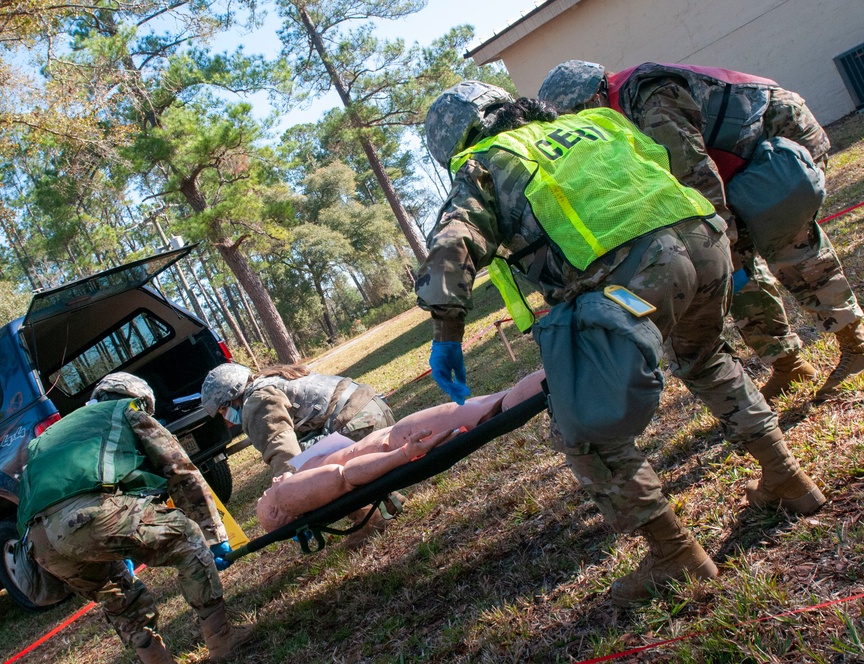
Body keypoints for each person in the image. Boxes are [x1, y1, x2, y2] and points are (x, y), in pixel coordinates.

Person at [416, 81, 826, 606]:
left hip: (634, 273)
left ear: (454, 141)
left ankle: (674, 554)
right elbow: (661, 167)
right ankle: (788, 480)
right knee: (706, 360)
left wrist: (447, 333)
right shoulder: (590, 122)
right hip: (704, 242)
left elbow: (453, 243)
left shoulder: (486, 162)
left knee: (582, 428)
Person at [537, 60, 864, 401]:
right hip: (735, 168)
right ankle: (788, 363)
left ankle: (856, 345)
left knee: (787, 243)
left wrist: (721, 238)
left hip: (777, 137)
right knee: (733, 270)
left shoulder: (648, 100)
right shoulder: (618, 116)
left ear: (593, 99)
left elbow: (695, 174)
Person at [16, 372, 253, 664]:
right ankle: (222, 639)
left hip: (39, 543)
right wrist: (212, 535)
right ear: (139, 399)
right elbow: (181, 474)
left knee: (116, 592)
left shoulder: (46, 437)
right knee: (188, 537)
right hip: (89, 516)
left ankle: (156, 660)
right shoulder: (127, 411)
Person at [256, 371, 546, 531]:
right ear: (275, 510)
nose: (271, 484)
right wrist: (404, 454)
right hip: (397, 442)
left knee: (492, 407)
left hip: (395, 440)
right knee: (497, 409)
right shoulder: (288, 496)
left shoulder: (291, 486)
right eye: (266, 495)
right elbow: (345, 476)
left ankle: (567, 369)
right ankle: (566, 369)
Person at [201, 362, 395, 477]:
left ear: (232, 397)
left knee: (307, 467)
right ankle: (388, 503)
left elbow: (284, 454)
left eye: (223, 410)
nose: (226, 418)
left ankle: (371, 517)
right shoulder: (270, 379)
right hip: (372, 410)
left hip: (360, 424)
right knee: (305, 447)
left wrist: (288, 496)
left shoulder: (257, 401)